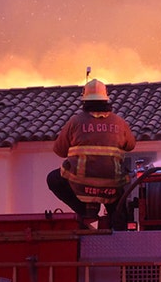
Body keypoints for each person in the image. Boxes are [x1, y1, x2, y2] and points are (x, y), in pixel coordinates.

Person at [46, 79, 136, 226]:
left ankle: (84, 211)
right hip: (111, 186)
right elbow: (131, 145)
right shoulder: (119, 123)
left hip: (80, 186)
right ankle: (119, 224)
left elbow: (59, 151)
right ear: (106, 99)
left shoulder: (75, 122)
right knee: (119, 206)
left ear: (85, 100)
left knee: (53, 179)